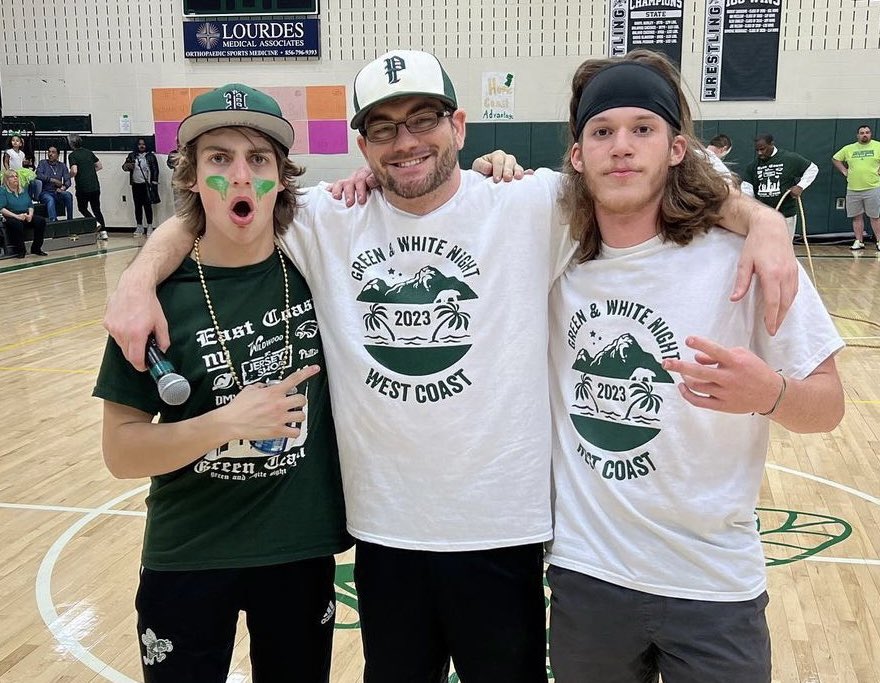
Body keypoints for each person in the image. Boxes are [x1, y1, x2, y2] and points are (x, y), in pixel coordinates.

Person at [102, 50, 797, 683]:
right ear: (363, 145)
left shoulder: (533, 203)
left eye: (424, 120)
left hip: (502, 533)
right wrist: (139, 276)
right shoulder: (326, 218)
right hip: (384, 534)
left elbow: (644, 185)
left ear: (458, 126)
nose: (406, 141)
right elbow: (221, 204)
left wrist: (763, 222)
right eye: (384, 128)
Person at [546, 49, 844, 683]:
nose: (621, 147)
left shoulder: (744, 258)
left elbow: (828, 406)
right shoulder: (555, 259)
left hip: (714, 585)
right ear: (577, 156)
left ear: (677, 148)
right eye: (602, 131)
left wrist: (770, 394)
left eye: (642, 129)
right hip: (588, 576)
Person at [93, 83, 351, 682]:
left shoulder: (319, 269)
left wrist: (493, 169)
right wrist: (225, 423)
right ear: (191, 178)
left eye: (258, 159)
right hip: (188, 554)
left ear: (281, 178)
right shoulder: (152, 304)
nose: (240, 176)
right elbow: (121, 452)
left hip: (298, 551)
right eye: (219, 158)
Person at [741, 133, 818, 239]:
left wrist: (800, 186)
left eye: (763, 149)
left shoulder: (789, 158)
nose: (760, 153)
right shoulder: (753, 166)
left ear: (771, 144)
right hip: (763, 214)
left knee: (784, 245)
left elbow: (812, 169)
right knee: (763, 244)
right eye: (757, 150)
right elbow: (747, 188)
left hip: (785, 213)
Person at [832, 124, 880, 251]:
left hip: (873, 187)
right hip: (853, 188)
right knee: (857, 216)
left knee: (875, 216)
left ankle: (879, 241)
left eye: (867, 132)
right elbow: (836, 159)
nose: (865, 135)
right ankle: (859, 241)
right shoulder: (849, 148)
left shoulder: (878, 146)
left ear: (870, 134)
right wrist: (844, 171)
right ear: (857, 135)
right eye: (862, 133)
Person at [68, 134, 109, 240]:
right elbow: (99, 166)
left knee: (82, 208)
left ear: (71, 144)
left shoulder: (72, 155)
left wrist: (68, 176)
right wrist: (89, 171)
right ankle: (104, 232)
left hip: (83, 187)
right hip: (95, 185)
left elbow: (74, 170)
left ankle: (95, 223)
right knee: (97, 209)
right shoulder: (89, 152)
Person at [0, 169, 47, 257]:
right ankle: (21, 251)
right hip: (11, 216)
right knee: (17, 224)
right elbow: (1, 208)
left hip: (25, 215)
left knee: (40, 221)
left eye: (16, 176)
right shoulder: (3, 191)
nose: (15, 178)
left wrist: (30, 215)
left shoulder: (23, 189)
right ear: (6, 180)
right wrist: (16, 216)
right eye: (12, 177)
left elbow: (30, 205)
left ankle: (36, 248)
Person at [122, 137, 160, 237]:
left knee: (147, 206)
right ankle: (139, 226)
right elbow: (124, 167)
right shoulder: (132, 155)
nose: (141, 146)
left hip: (146, 185)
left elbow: (155, 170)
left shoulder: (151, 156)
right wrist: (128, 166)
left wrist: (154, 182)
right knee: (137, 206)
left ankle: (150, 226)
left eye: (143, 144)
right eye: (139, 144)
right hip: (136, 185)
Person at [36, 145, 74, 221]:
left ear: (58, 155)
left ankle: (70, 220)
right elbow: (38, 175)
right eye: (49, 152)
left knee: (68, 195)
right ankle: (53, 221)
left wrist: (63, 188)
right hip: (45, 192)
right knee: (50, 199)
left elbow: (68, 180)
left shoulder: (62, 166)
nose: (50, 154)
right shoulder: (43, 163)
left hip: (57, 192)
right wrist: (52, 180)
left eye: (53, 152)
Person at [3, 134, 41, 200]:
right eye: (13, 140)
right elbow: (6, 162)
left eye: (17, 141)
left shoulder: (22, 153)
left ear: (20, 144)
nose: (15, 142)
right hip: (12, 170)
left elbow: (21, 162)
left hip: (20, 171)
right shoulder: (9, 152)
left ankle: (28, 197)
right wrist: (8, 170)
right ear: (11, 142)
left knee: (27, 183)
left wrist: (26, 162)